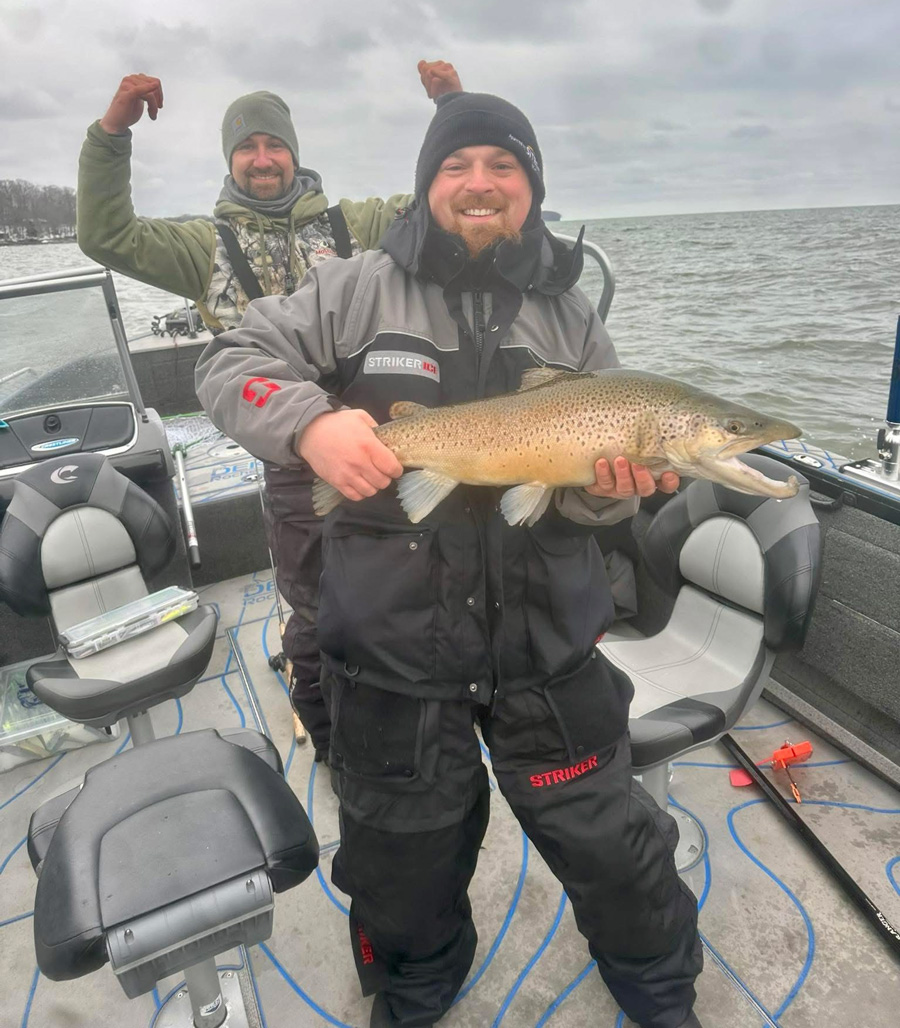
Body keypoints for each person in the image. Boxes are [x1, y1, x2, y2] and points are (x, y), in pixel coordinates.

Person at [195, 91, 704, 1028]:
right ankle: (417, 987)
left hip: (547, 646)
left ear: (533, 188)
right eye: (456, 166)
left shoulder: (573, 322)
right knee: (403, 866)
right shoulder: (349, 288)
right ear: (428, 184)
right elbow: (231, 361)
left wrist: (611, 489)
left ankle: (658, 986)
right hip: (393, 653)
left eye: (503, 167)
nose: (480, 184)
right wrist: (308, 425)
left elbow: (587, 504)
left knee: (618, 849)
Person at [76, 60, 462, 758]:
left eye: (273, 144)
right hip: (289, 455)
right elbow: (106, 237)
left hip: (389, 437)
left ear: (294, 152)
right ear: (231, 160)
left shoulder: (357, 224)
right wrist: (113, 132)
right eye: (247, 147)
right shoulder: (201, 245)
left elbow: (440, 203)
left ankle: (414, 720)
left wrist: (451, 109)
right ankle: (337, 744)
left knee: (404, 587)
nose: (262, 158)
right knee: (314, 612)